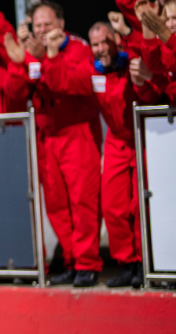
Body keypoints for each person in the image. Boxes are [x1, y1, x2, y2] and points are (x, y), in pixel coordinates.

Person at [42, 22, 162, 288]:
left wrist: (139, 75)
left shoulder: (130, 62)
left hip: (141, 136)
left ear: (116, 40)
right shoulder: (93, 71)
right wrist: (51, 52)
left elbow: (151, 85)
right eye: (94, 44)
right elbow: (61, 81)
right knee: (112, 206)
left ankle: (146, 263)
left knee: (138, 205)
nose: (99, 49)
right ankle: (128, 263)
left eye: (104, 42)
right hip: (116, 141)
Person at [2, 0, 103, 287]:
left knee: (83, 201)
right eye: (37, 25)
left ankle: (88, 263)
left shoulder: (79, 48)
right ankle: (72, 260)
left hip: (76, 133)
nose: (43, 30)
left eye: (47, 24)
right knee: (57, 205)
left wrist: (47, 56)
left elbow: (71, 84)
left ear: (61, 22)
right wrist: (17, 60)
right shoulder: (31, 52)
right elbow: (14, 95)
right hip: (47, 137)